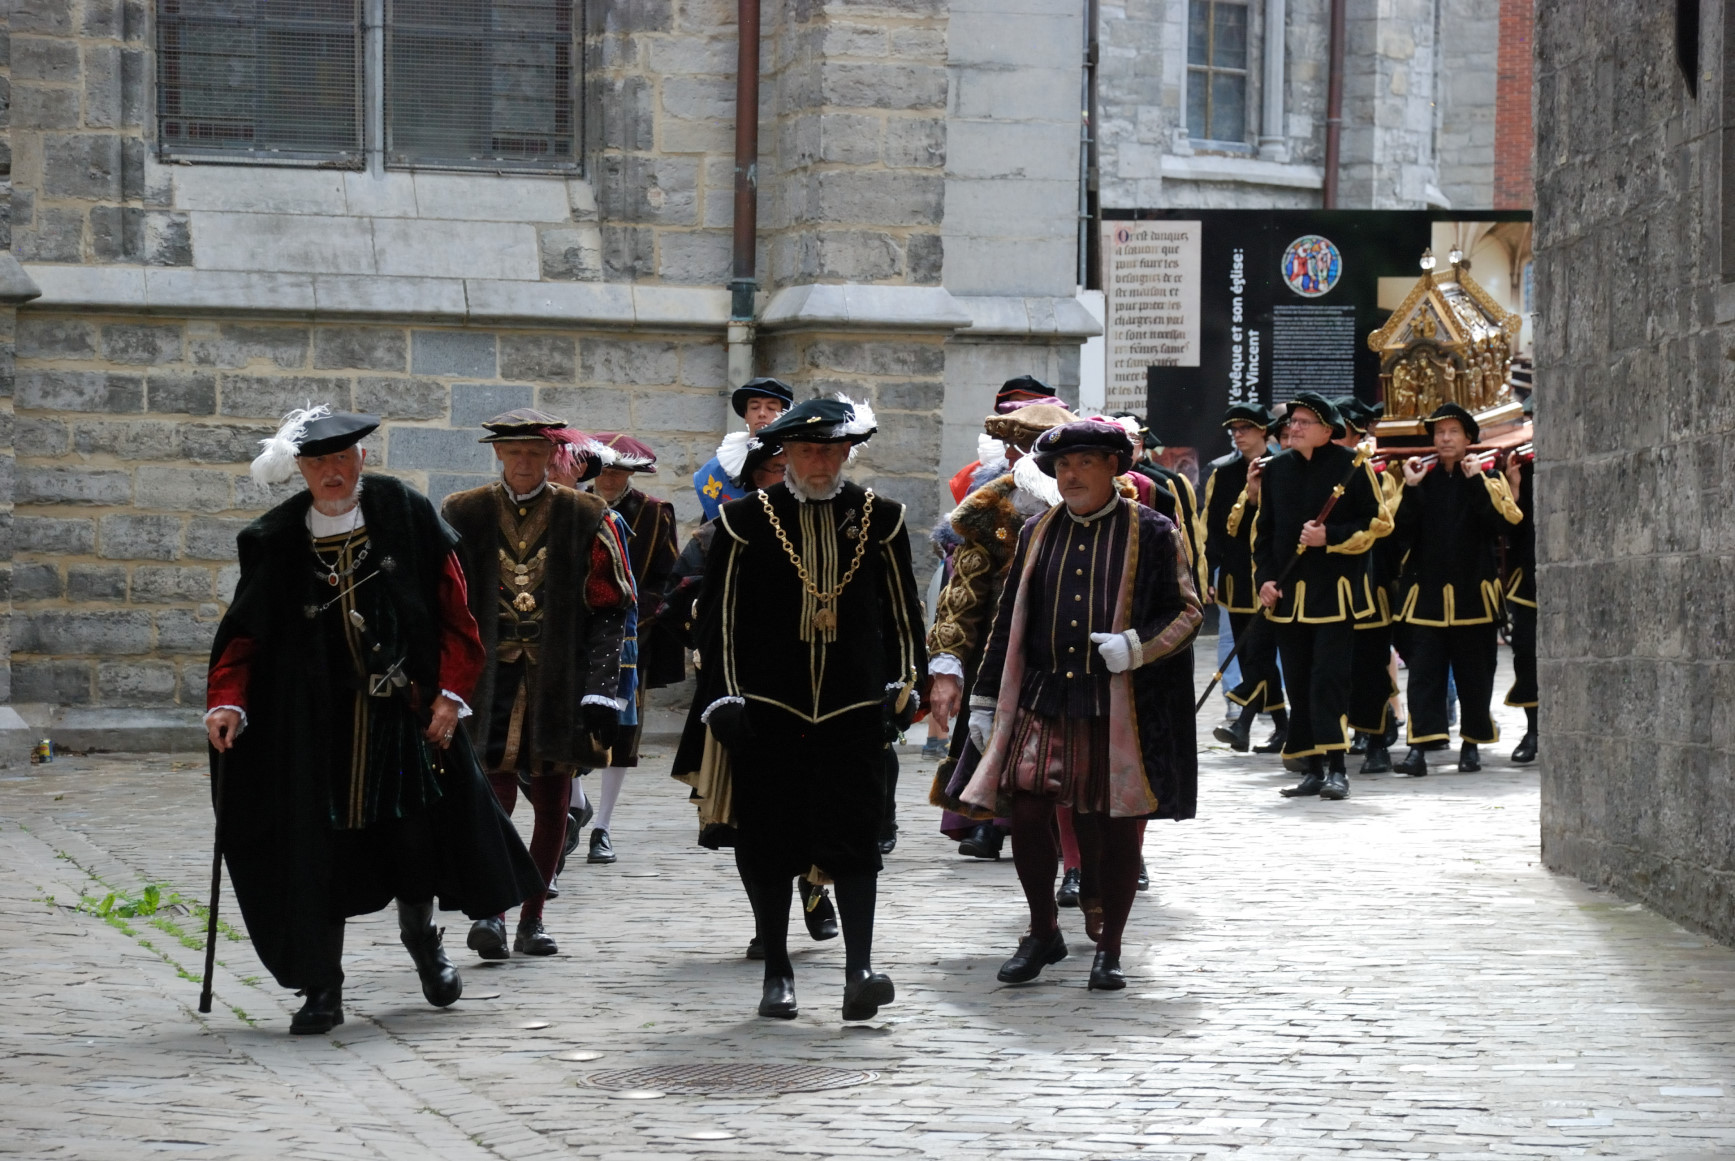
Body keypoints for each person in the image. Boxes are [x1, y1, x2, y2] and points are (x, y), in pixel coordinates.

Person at [204, 407, 542, 1034]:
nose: (331, 472)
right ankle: (322, 989)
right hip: (313, 729)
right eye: (317, 462)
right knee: (319, 854)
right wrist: (228, 700)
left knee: (412, 844)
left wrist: (450, 696)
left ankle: (423, 943)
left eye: (341, 459)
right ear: (299, 469)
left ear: (361, 459)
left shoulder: (403, 514)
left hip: (400, 721)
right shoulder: (277, 539)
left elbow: (456, 616)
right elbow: (245, 634)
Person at [674, 395, 927, 1021]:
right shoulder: (743, 521)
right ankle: (777, 973)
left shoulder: (881, 518)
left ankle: (859, 969)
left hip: (854, 707)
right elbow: (719, 620)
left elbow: (903, 614)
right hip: (769, 708)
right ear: (785, 453)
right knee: (768, 839)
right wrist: (724, 696)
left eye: (831, 450)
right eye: (808, 450)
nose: (820, 462)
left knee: (857, 837)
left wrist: (905, 686)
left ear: (847, 453)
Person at [958, 419, 1201, 991]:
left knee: (1114, 825)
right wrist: (985, 699)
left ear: (1113, 467)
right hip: (1043, 695)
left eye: (1084, 463)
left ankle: (1109, 946)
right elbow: (1008, 619)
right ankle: (1043, 930)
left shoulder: (1154, 530)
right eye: (1063, 466)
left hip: (1117, 703)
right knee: (1027, 813)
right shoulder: (1036, 530)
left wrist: (1135, 646)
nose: (1071, 475)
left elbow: (1189, 611)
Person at [441, 409, 635, 958]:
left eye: (535, 452)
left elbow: (611, 607)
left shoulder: (585, 513)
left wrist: (601, 687)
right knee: (494, 796)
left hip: (559, 677)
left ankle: (533, 918)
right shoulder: (463, 511)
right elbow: (444, 602)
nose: (524, 461)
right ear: (498, 454)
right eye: (515, 452)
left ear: (552, 456)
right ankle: (492, 913)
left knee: (553, 800)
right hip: (487, 679)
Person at [929, 402, 1079, 862]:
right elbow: (963, 593)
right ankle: (987, 822)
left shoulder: (1098, 504)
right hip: (1000, 646)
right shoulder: (990, 510)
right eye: (1018, 449)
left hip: (1072, 650)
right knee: (991, 731)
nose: (1023, 459)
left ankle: (1073, 838)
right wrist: (948, 663)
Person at [1252, 392, 1392, 801]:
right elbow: (1264, 532)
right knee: (1297, 682)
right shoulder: (1277, 470)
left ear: (1327, 430)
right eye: (1292, 422)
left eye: (1303, 423)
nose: (1293, 428)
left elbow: (1378, 522)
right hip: (1288, 596)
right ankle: (1311, 768)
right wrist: (1265, 579)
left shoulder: (1352, 465)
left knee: (1327, 681)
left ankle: (1337, 768)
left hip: (1335, 596)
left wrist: (1330, 536)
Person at [1390, 403, 1524, 776]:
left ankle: (1471, 745)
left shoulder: (1488, 477)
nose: (1445, 439)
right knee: (1423, 676)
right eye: (1439, 432)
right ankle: (1418, 747)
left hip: (1473, 597)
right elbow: (1400, 534)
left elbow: (1503, 525)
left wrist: (1477, 481)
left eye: (1453, 432)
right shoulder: (1420, 476)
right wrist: (1412, 488)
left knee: (1475, 676)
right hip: (1426, 597)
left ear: (1468, 439)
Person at [584, 433, 682, 865]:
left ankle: (602, 826)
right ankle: (573, 808)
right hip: (576, 633)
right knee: (568, 724)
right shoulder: (571, 504)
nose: (610, 477)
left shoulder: (654, 512)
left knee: (622, 730)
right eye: (605, 468)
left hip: (629, 636)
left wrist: (637, 617)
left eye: (619, 470)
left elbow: (667, 577)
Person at [1202, 403, 1289, 753]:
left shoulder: (1284, 466)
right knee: (1251, 655)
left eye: (1245, 429)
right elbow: (1214, 529)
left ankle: (1243, 723)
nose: (1238, 435)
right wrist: (1208, 572)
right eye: (1234, 430)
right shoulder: (1222, 473)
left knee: (1259, 652)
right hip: (1236, 577)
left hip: (1273, 576)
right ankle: (1281, 726)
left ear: (1263, 431)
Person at [1330, 398, 1404, 773]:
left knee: (1371, 668)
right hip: (1326, 588)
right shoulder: (1313, 471)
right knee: (1332, 670)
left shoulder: (1378, 473)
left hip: (1369, 585)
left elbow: (1383, 525)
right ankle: (1331, 744)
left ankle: (1377, 740)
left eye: (1340, 431)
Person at [692, 378, 794, 520]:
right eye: (754, 407)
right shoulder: (720, 467)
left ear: (784, 415)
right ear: (746, 415)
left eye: (771, 408)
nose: (762, 413)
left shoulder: (796, 460)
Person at [1504, 430, 1538, 764]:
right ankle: (1533, 730)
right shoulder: (1521, 465)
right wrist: (1513, 487)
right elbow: (1510, 531)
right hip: (1529, 575)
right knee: (1526, 652)